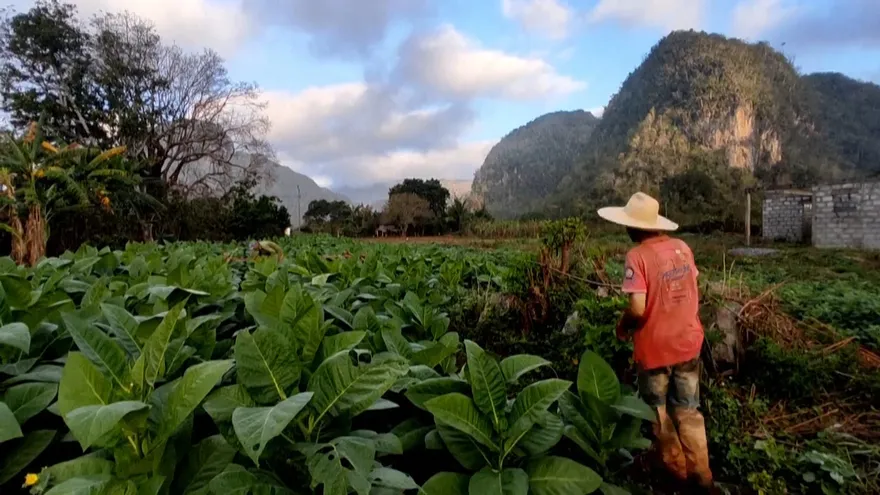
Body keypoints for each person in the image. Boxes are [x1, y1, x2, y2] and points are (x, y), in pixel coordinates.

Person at [597, 192, 714, 490]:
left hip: (656, 349)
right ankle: (702, 476)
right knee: (688, 410)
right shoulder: (682, 248)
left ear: (634, 227)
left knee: (657, 413)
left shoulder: (637, 256)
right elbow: (689, 286)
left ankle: (676, 475)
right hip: (689, 343)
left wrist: (623, 326)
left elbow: (637, 307)